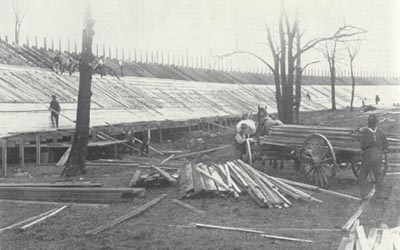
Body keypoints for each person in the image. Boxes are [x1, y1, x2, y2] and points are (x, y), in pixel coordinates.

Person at [358, 114, 389, 200]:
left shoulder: (364, 133)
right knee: (378, 175)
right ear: (376, 123)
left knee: (363, 175)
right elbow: (386, 145)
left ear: (368, 123)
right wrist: (381, 151)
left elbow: (362, 146)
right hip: (377, 156)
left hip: (368, 157)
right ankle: (380, 194)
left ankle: (363, 194)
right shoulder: (381, 132)